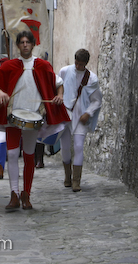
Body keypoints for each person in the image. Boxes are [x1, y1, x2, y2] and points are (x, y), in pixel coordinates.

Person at [0, 31, 70, 209]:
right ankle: (14, 194)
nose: (25, 45)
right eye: (22, 42)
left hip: (33, 118)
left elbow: (59, 83)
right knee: (12, 154)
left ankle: (26, 195)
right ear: (18, 45)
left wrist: (60, 95)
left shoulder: (43, 65)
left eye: (27, 42)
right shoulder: (9, 66)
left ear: (32, 44)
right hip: (13, 117)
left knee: (29, 155)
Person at [58, 49, 102, 192]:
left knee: (78, 146)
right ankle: (67, 176)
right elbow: (57, 88)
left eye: (81, 64)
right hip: (65, 115)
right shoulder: (64, 71)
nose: (78, 66)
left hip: (81, 116)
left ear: (86, 64)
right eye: (76, 63)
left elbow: (97, 100)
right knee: (65, 147)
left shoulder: (92, 78)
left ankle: (76, 181)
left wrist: (88, 113)